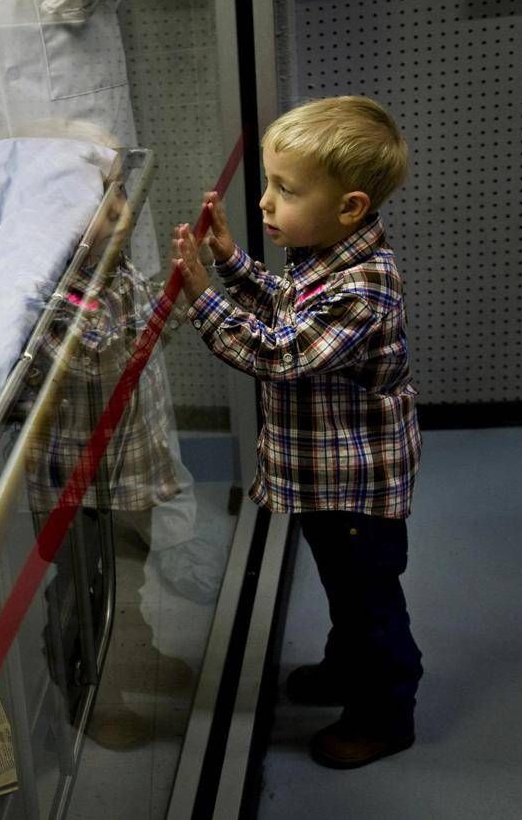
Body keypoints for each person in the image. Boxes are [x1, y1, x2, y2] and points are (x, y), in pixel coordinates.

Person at [171, 96, 423, 768]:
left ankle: (385, 714)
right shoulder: (325, 255)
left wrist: (202, 296)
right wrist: (231, 262)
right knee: (345, 587)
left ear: (350, 206)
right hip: (328, 479)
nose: (264, 201)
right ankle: (346, 670)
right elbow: (286, 308)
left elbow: (279, 351)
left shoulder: (362, 288)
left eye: (286, 189)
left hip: (356, 488)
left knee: (370, 604)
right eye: (269, 183)